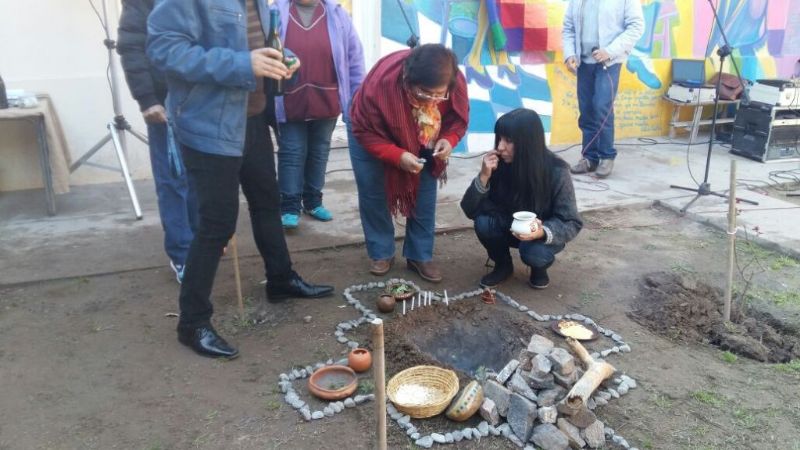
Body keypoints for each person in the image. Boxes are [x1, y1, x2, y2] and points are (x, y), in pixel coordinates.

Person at [148, 0, 334, 359]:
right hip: (207, 126)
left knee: (267, 202)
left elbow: (258, 40)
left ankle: (280, 279)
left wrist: (284, 57)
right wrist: (242, 63)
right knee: (216, 223)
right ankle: (192, 322)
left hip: (251, 119)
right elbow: (163, 49)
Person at [349, 44, 469, 283]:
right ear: (407, 79)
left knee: (425, 191)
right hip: (372, 131)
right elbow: (363, 130)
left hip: (427, 133)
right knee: (373, 192)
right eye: (425, 93)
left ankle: (419, 255)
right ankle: (381, 252)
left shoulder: (454, 80)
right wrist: (396, 155)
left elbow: (458, 118)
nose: (433, 99)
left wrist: (448, 139)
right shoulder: (382, 84)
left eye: (439, 94)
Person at [117, 0, 197, 283]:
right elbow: (131, 45)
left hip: (200, 97)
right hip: (164, 102)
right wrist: (147, 99)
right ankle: (183, 255)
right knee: (173, 179)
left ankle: (201, 243)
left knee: (200, 175)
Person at [460, 108, 582, 289]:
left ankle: (539, 269)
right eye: (499, 138)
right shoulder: (497, 165)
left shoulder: (557, 171)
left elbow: (571, 222)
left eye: (509, 141)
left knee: (534, 252)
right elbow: (469, 209)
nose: (500, 147)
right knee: (484, 222)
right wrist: (484, 176)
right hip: (508, 227)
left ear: (528, 143)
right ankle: (503, 265)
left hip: (538, 234)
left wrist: (541, 232)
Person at [273, 0, 365, 229]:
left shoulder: (338, 16)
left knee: (319, 152)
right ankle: (289, 205)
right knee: (292, 152)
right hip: (289, 98)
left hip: (328, 98)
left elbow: (354, 58)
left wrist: (356, 96)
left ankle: (313, 201)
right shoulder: (275, 12)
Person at [562, 0, 644, 178]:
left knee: (601, 106)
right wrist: (569, 54)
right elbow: (568, 27)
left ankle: (607, 156)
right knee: (586, 110)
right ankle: (589, 158)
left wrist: (610, 50)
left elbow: (636, 26)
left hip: (609, 61)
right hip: (583, 62)